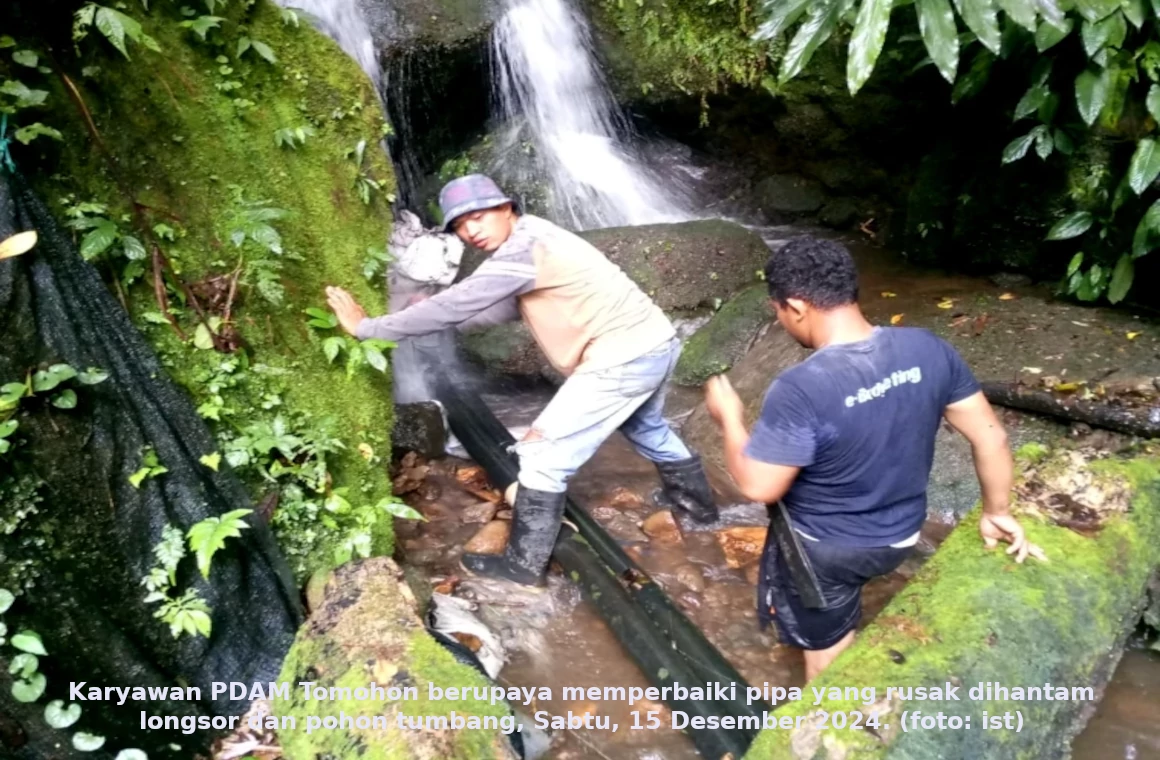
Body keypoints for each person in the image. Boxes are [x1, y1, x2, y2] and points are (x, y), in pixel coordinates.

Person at [326, 174, 718, 586]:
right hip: (654, 343)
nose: (470, 231)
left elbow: (461, 300)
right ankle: (698, 512)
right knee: (647, 427)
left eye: (478, 216)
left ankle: (522, 566)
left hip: (622, 359)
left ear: (507, 208)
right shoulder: (538, 238)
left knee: (541, 456)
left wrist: (369, 327)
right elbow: (503, 308)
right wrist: (438, 319)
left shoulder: (525, 249)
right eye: (459, 226)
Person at [702, 235, 1045, 681]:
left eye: (780, 314)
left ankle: (828, 730)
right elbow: (992, 438)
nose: (783, 324)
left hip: (826, 552)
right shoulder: (927, 348)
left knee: (827, 655)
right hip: (899, 537)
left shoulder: (801, 387)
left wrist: (730, 418)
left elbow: (757, 487)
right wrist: (996, 512)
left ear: (797, 306)